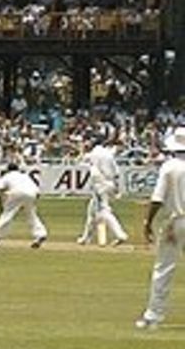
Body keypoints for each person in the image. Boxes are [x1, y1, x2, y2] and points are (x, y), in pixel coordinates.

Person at [136, 126, 185, 330]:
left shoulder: (169, 167)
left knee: (164, 268)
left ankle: (153, 315)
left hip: (175, 222)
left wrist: (147, 222)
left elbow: (157, 199)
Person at [76, 139, 129, 246]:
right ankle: (85, 238)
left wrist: (81, 149)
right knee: (92, 211)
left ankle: (120, 235)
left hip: (100, 186)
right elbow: (116, 173)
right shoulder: (108, 154)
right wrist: (117, 188)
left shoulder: (94, 154)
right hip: (109, 183)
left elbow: (80, 160)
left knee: (104, 211)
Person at [0, 161, 47, 248]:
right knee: (32, 215)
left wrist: (1, 207)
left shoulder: (7, 176)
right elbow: (37, 193)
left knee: (7, 215)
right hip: (32, 194)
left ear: (8, 170)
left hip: (17, 193)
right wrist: (29, 204)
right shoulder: (25, 176)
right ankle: (40, 234)